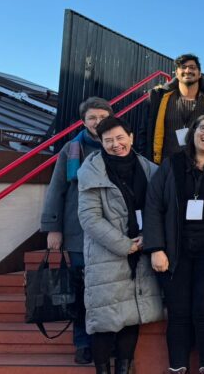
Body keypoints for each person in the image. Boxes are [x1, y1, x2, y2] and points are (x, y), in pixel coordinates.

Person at [143, 115, 204, 373]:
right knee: (178, 313)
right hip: (175, 251)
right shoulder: (172, 164)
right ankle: (178, 368)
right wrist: (156, 248)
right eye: (203, 128)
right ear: (193, 132)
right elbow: (153, 205)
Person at [76, 116, 163, 374]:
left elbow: (159, 208)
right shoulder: (91, 172)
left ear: (131, 137)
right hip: (107, 255)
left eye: (120, 138)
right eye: (108, 140)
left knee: (132, 316)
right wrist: (125, 245)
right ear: (101, 143)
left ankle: (123, 369)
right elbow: (89, 218)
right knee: (104, 320)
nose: (116, 144)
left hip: (141, 252)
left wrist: (148, 237)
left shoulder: (150, 169)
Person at [41, 97, 113, 365]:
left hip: (111, 232)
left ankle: (107, 340)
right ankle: (83, 342)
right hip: (77, 231)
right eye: (92, 117)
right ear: (83, 122)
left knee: (107, 290)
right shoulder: (71, 149)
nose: (98, 122)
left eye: (103, 117)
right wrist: (53, 228)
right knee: (82, 290)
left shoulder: (118, 145)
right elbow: (56, 189)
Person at [145, 54, 204, 164]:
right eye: (183, 67)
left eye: (192, 67)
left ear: (199, 74)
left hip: (198, 167)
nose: (187, 70)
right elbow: (145, 132)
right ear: (176, 73)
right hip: (165, 166)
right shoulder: (159, 98)